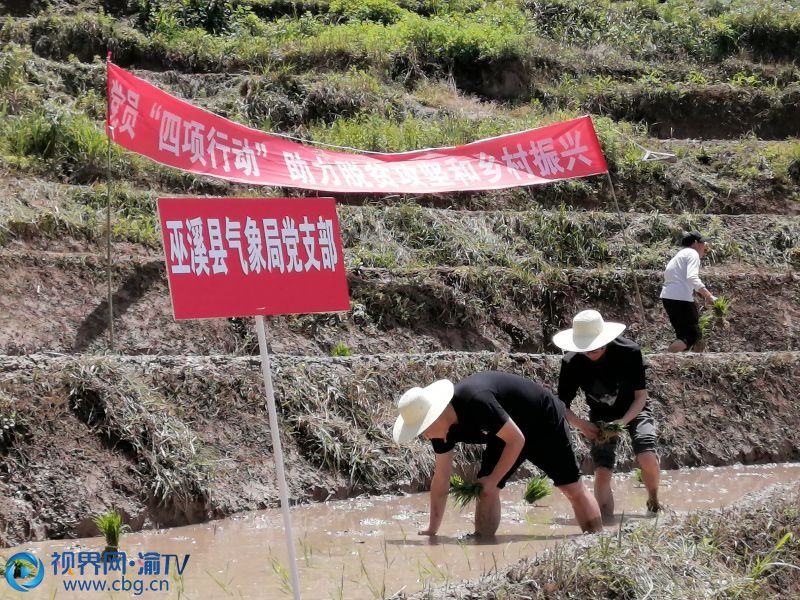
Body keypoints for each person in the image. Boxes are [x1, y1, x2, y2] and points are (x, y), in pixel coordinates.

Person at [392, 371, 603, 537]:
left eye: (424, 429)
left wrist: (494, 479)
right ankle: (482, 541)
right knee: (485, 489)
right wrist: (432, 528)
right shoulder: (439, 433)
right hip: (505, 432)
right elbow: (441, 478)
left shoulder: (476, 400)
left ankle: (596, 539)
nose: (426, 436)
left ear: (435, 416)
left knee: (572, 488)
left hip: (542, 421)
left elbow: (517, 439)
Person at [553, 310, 660, 520]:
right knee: (602, 470)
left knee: (646, 456)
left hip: (633, 410)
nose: (591, 351)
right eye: (586, 348)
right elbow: (560, 405)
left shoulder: (629, 352)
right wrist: (581, 424)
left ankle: (654, 499)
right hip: (600, 416)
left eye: (596, 345)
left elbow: (641, 397)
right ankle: (606, 524)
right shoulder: (571, 362)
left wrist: (621, 423)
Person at [660, 230, 717, 352]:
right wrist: (708, 295)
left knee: (689, 337)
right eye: (703, 243)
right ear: (695, 243)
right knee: (690, 338)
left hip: (670, 297)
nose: (704, 247)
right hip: (680, 299)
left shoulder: (681, 255)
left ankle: (691, 362)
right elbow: (692, 277)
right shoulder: (692, 254)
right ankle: (663, 359)